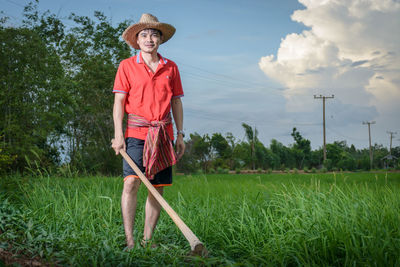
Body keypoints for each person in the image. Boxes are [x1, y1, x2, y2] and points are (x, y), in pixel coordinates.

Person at [111, 13, 185, 250]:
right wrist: (119, 134)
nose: (149, 39)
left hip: (163, 135)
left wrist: (180, 134)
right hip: (136, 133)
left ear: (160, 40)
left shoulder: (171, 67)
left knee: (156, 188)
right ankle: (130, 241)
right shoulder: (126, 66)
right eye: (144, 34)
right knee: (130, 184)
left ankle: (147, 241)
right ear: (137, 40)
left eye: (154, 34)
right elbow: (119, 102)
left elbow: (176, 102)